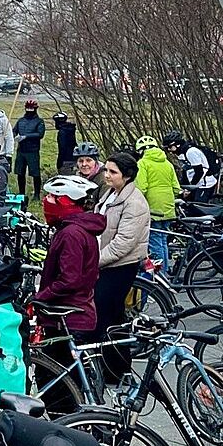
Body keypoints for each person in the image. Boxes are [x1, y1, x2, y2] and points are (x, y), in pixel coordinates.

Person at [34, 175, 106, 413]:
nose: (47, 201)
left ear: (66, 201)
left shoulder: (71, 234)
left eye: (53, 197)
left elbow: (69, 279)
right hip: (78, 313)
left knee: (56, 384)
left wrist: (40, 297)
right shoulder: (77, 229)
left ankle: (66, 430)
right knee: (68, 379)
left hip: (69, 317)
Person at [93, 152, 150, 380]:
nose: (107, 175)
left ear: (127, 176)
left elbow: (123, 244)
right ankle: (117, 369)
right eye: (106, 170)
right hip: (107, 262)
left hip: (119, 266)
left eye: (112, 172)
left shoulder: (134, 203)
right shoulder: (112, 193)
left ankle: (110, 369)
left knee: (104, 315)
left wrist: (93, 262)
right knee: (114, 317)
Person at [135, 134, 180, 268]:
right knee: (163, 240)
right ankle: (166, 271)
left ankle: (161, 275)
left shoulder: (142, 164)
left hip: (153, 208)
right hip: (168, 207)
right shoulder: (167, 164)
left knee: (155, 243)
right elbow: (176, 188)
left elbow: (141, 187)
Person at [167, 129, 220, 201]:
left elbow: (199, 172)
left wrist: (190, 188)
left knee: (199, 207)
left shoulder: (191, 152)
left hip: (204, 185)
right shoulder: (182, 153)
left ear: (177, 144)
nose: (169, 151)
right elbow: (186, 170)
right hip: (195, 185)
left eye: (170, 147)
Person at [12, 99, 45, 198]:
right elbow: (14, 131)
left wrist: (26, 136)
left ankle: (37, 194)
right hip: (21, 150)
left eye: (32, 108)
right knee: (20, 172)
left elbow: (40, 134)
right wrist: (12, 136)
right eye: (28, 108)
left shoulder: (39, 121)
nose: (29, 110)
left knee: (35, 173)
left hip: (33, 150)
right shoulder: (21, 121)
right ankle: (21, 192)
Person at [73, 143, 107, 210]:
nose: (84, 164)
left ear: (96, 162)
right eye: (81, 161)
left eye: (88, 160)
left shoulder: (104, 179)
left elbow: (103, 207)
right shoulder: (77, 178)